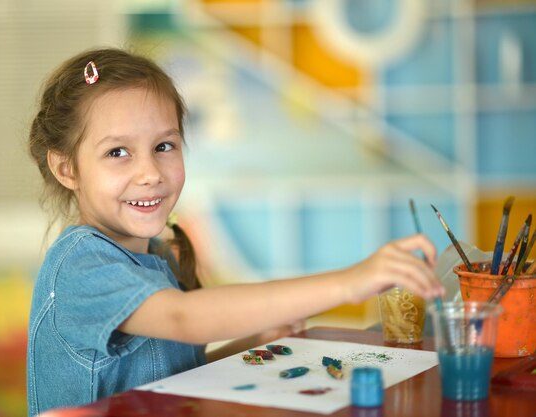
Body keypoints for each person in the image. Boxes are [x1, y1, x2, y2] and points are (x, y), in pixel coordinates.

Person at [26, 47, 444, 416]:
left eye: (164, 146)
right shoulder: (82, 263)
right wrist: (352, 282)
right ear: (66, 169)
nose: (150, 172)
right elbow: (185, 319)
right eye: (118, 152)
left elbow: (177, 371)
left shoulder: (155, 255)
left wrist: (252, 341)